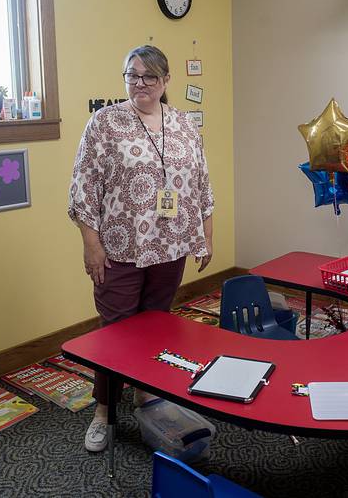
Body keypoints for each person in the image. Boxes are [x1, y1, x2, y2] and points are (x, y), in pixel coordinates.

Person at [68, 45, 215, 452]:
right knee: (116, 332)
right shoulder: (105, 123)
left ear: (166, 81)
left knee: (156, 324)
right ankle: (103, 412)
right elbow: (83, 188)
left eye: (149, 76)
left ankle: (145, 393)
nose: (140, 83)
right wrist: (91, 245)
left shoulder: (184, 125)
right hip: (120, 246)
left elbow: (201, 183)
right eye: (132, 75)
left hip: (172, 245)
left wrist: (205, 233)